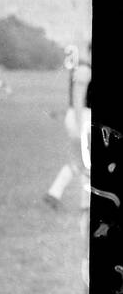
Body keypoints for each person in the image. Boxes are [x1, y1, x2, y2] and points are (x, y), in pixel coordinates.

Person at [45, 42, 90, 211]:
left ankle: (54, 193)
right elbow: (78, 99)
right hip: (83, 118)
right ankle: (86, 204)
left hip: (80, 117)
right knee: (87, 162)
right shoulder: (85, 70)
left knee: (79, 163)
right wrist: (80, 125)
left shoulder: (84, 69)